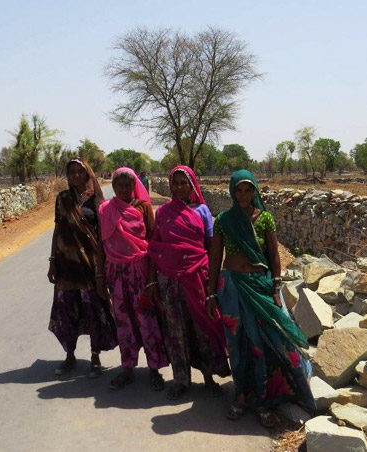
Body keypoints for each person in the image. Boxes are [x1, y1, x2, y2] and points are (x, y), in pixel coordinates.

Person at [206, 169, 317, 427]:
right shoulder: (223, 220)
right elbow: (215, 258)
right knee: (238, 344)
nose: (243, 195)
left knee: (265, 344)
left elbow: (274, 256)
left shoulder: (265, 218)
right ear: (232, 192)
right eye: (239, 190)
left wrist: (276, 288)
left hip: (260, 285)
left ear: (255, 191)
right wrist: (211, 292)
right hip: (232, 288)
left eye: (248, 190)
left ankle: (264, 400)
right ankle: (241, 395)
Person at [148, 166, 230, 400]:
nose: (179, 187)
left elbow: (211, 248)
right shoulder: (163, 213)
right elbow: (155, 248)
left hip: (196, 279)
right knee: (175, 331)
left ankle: (208, 376)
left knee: (202, 328)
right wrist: (152, 281)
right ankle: (181, 379)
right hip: (169, 281)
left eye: (184, 183)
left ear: (193, 184)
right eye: (175, 183)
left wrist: (211, 284)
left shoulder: (203, 211)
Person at [98, 167, 168, 391]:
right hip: (115, 274)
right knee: (123, 323)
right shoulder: (105, 209)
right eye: (119, 185)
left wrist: (151, 279)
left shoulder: (143, 207)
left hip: (139, 271)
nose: (124, 189)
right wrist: (100, 276)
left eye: (128, 185)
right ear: (113, 186)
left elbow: (153, 242)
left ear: (135, 186)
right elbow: (102, 244)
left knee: (147, 320)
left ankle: (154, 369)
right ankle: (127, 367)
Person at [47, 158, 118, 377]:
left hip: (90, 267)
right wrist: (52, 261)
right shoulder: (62, 199)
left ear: (88, 174)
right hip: (66, 267)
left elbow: (103, 238)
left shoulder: (97, 201)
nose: (76, 175)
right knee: (68, 312)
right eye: (72, 172)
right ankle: (70, 355)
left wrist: (101, 270)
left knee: (93, 311)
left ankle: (95, 357)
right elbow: (58, 231)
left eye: (80, 171)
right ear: (67, 175)